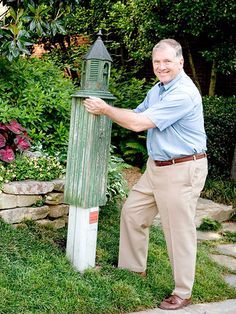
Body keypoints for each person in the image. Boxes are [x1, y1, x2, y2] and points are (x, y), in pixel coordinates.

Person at [83, 38, 208, 311]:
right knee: (132, 213)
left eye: (167, 61)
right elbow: (136, 113)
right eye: (156, 62)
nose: (161, 67)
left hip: (182, 168)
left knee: (178, 232)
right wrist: (109, 110)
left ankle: (182, 291)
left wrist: (104, 109)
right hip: (157, 166)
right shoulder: (159, 89)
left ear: (180, 62)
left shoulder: (183, 93)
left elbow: (139, 124)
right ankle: (132, 268)